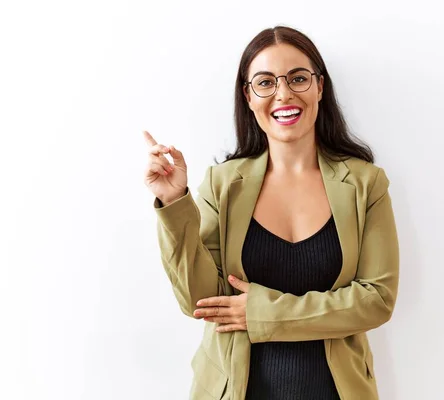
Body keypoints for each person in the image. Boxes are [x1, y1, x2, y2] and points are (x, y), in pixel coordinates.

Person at [143, 25, 399, 400]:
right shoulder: (222, 184)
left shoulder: (365, 184)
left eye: (298, 78)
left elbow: (376, 300)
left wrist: (262, 314)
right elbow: (200, 300)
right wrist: (174, 201)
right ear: (248, 96)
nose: (284, 94)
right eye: (265, 82)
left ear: (319, 87)